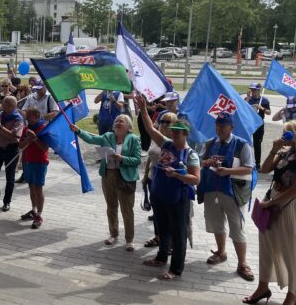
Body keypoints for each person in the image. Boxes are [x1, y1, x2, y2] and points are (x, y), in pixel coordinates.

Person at [244, 121, 296, 305]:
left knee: (292, 250)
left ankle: (293, 294)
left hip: (289, 205)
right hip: (273, 199)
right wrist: (274, 149)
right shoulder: (285, 152)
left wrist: (272, 204)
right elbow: (265, 169)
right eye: (284, 133)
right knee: (266, 246)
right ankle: (262, 287)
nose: (285, 137)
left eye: (288, 133)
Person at [136, 95, 200, 280]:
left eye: (177, 133)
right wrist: (142, 109)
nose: (173, 134)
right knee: (162, 228)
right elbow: (149, 129)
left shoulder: (190, 154)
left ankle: (176, 269)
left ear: (185, 135)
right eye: (173, 131)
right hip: (160, 195)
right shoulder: (166, 143)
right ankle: (161, 257)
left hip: (177, 199)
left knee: (178, 233)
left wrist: (178, 175)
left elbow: (196, 179)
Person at [198, 112, 256, 281]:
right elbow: (200, 162)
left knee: (237, 227)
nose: (219, 129)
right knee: (217, 224)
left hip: (233, 192)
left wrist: (228, 171)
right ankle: (221, 252)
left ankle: (243, 263)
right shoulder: (210, 143)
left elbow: (248, 168)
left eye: (223, 126)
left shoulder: (241, 144)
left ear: (232, 127)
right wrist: (205, 163)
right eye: (217, 126)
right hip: (211, 189)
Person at [71, 114, 142, 251]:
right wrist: (78, 131)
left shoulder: (133, 139)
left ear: (128, 126)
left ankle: (129, 240)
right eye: (116, 121)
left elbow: (137, 160)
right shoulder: (108, 136)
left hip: (125, 177)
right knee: (111, 207)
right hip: (108, 175)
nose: (118, 123)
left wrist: (121, 158)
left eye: (121, 121)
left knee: (127, 210)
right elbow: (91, 138)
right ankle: (113, 234)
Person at [140, 111, 178, 248]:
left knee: (168, 213)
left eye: (168, 122)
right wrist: (145, 177)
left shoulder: (174, 141)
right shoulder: (156, 138)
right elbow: (150, 157)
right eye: (162, 121)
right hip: (153, 178)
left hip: (167, 181)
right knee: (157, 211)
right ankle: (158, 237)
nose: (164, 124)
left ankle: (170, 242)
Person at [18, 107, 49, 229]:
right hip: (28, 161)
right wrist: (28, 140)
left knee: (38, 189)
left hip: (40, 162)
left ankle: (39, 215)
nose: (27, 121)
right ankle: (34, 210)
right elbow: (20, 145)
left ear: (37, 116)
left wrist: (35, 138)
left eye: (29, 118)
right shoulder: (26, 129)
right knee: (31, 187)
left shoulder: (44, 129)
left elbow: (45, 148)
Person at [244, 83, 271, 170]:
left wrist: (262, 108)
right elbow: (243, 108)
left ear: (259, 90)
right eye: (251, 89)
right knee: (245, 143)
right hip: (249, 124)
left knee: (257, 144)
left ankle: (258, 163)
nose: (253, 91)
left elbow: (269, 112)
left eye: (254, 90)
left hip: (259, 125)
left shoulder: (264, 101)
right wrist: (247, 98)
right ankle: (245, 161)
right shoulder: (248, 99)